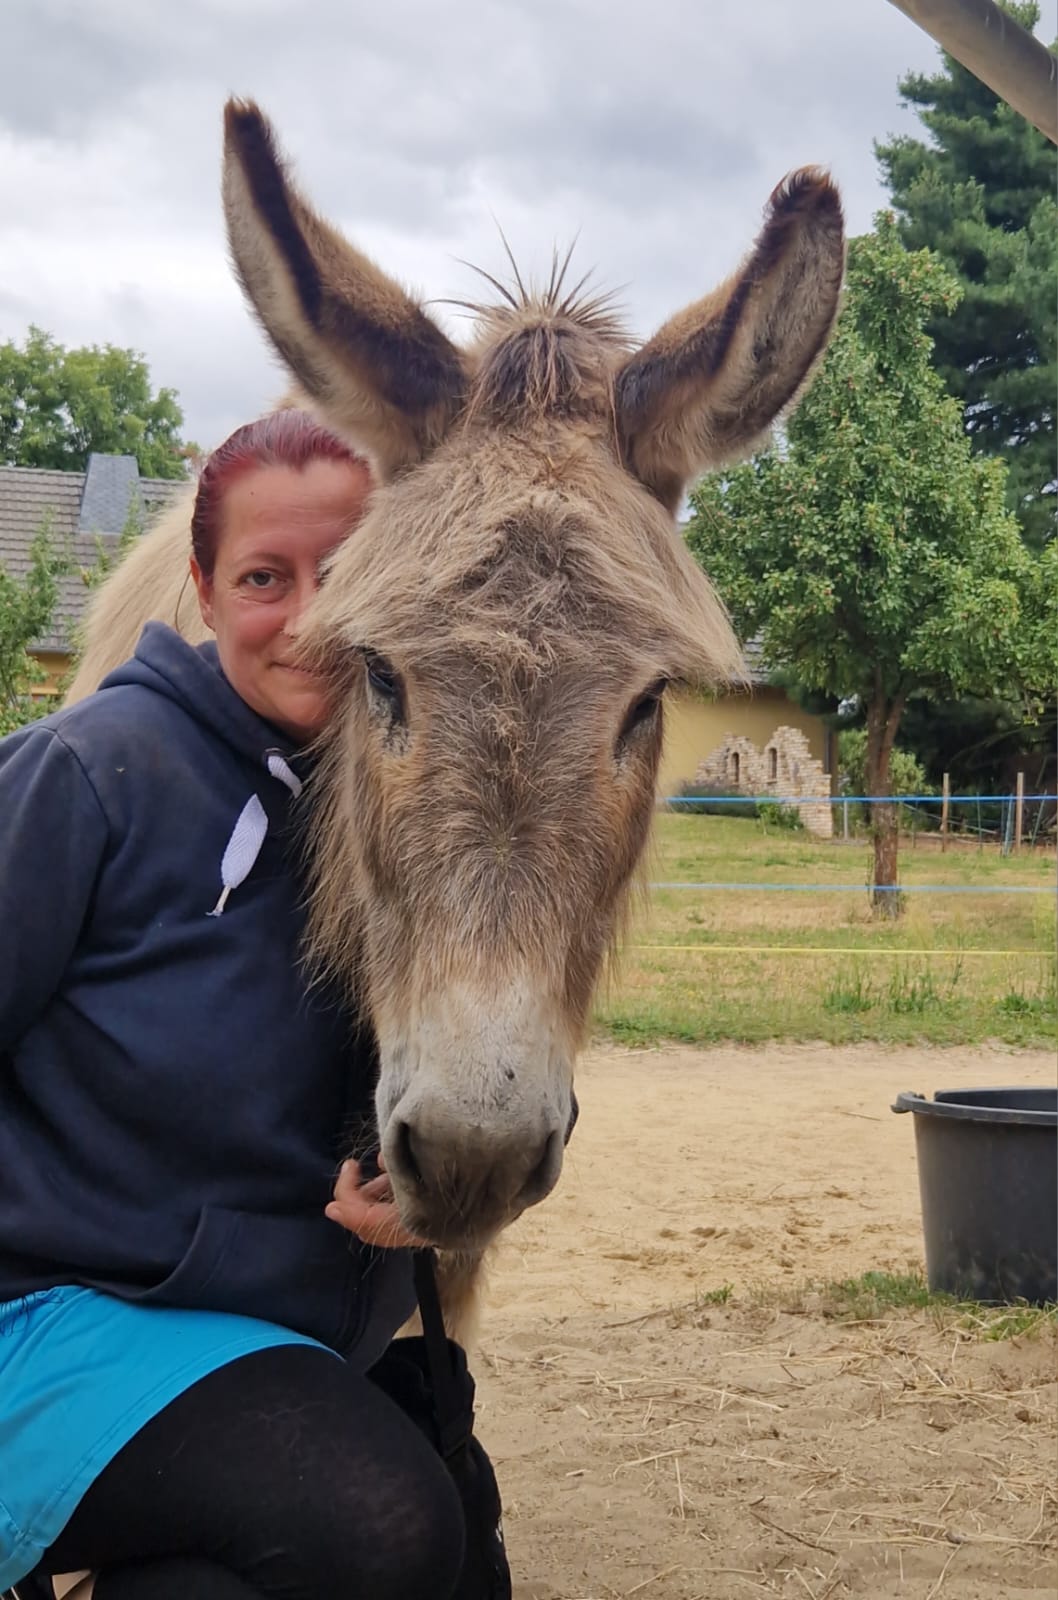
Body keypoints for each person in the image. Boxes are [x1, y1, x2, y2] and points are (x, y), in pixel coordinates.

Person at [0, 411, 465, 1600]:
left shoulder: (392, 797)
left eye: (346, 572)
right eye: (265, 578)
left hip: (248, 1335)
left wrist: (412, 1181)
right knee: (381, 1523)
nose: (310, 615)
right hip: (56, 1319)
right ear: (202, 593)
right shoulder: (92, 770)